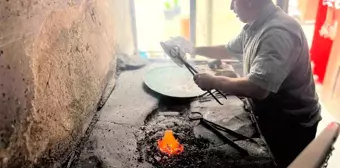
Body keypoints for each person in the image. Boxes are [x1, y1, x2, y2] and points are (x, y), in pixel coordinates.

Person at [192, 0, 321, 167]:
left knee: (280, 163)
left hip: (291, 125)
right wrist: (193, 49)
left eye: (234, 1)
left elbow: (258, 88)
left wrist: (214, 81)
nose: (231, 7)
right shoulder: (256, 23)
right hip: (269, 114)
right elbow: (228, 49)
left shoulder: (278, 33)